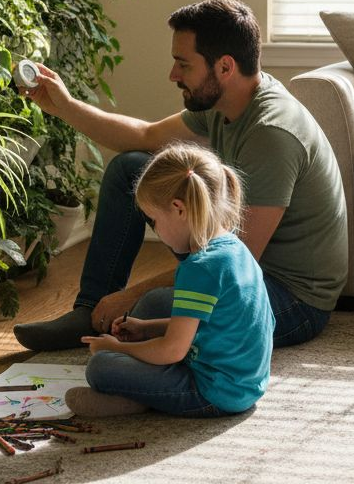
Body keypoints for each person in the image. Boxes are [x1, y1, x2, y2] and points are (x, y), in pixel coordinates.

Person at [13, 0, 347, 351]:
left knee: (151, 307)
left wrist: (131, 295)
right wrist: (63, 106)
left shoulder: (271, 133)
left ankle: (118, 330)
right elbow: (143, 136)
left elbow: (233, 257)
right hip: (242, 265)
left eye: (183, 65)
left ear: (225, 67)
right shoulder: (228, 101)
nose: (173, 75)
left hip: (292, 298)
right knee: (132, 169)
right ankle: (89, 311)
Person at [63, 142, 273, 418]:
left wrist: (119, 348)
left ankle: (138, 400)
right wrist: (147, 328)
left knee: (101, 366)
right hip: (247, 384)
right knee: (152, 306)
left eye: (154, 220)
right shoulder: (233, 247)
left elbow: (173, 350)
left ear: (178, 208)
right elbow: (210, 323)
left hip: (214, 393)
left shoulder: (199, 267)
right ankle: (147, 393)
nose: (157, 230)